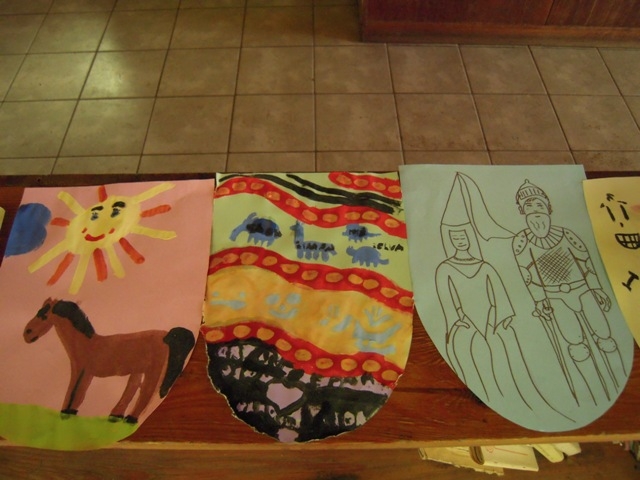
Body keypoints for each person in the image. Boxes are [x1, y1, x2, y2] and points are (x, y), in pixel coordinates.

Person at [512, 179, 625, 404]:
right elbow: (527, 274)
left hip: (582, 290)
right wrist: (539, 299)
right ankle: (591, 394)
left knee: (605, 337)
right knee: (576, 344)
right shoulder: (522, 241)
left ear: (548, 208)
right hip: (555, 297)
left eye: (539, 205)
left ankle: (617, 382)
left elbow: (586, 262)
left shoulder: (566, 234)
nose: (535, 212)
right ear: (523, 212)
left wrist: (597, 289)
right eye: (529, 207)